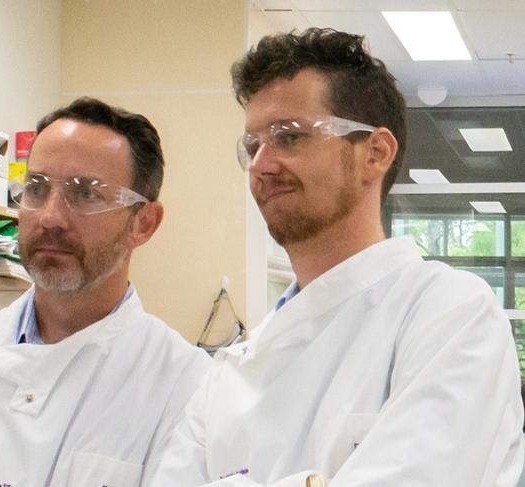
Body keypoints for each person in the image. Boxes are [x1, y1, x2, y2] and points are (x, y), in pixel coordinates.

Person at [152, 28, 524, 486]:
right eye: (253, 145)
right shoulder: (230, 372)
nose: (262, 164)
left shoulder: (450, 314)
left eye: (288, 137)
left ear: (376, 152)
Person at [0, 97, 211, 487]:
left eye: (86, 193)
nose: (50, 217)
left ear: (144, 223)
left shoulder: (188, 387)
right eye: (36, 188)